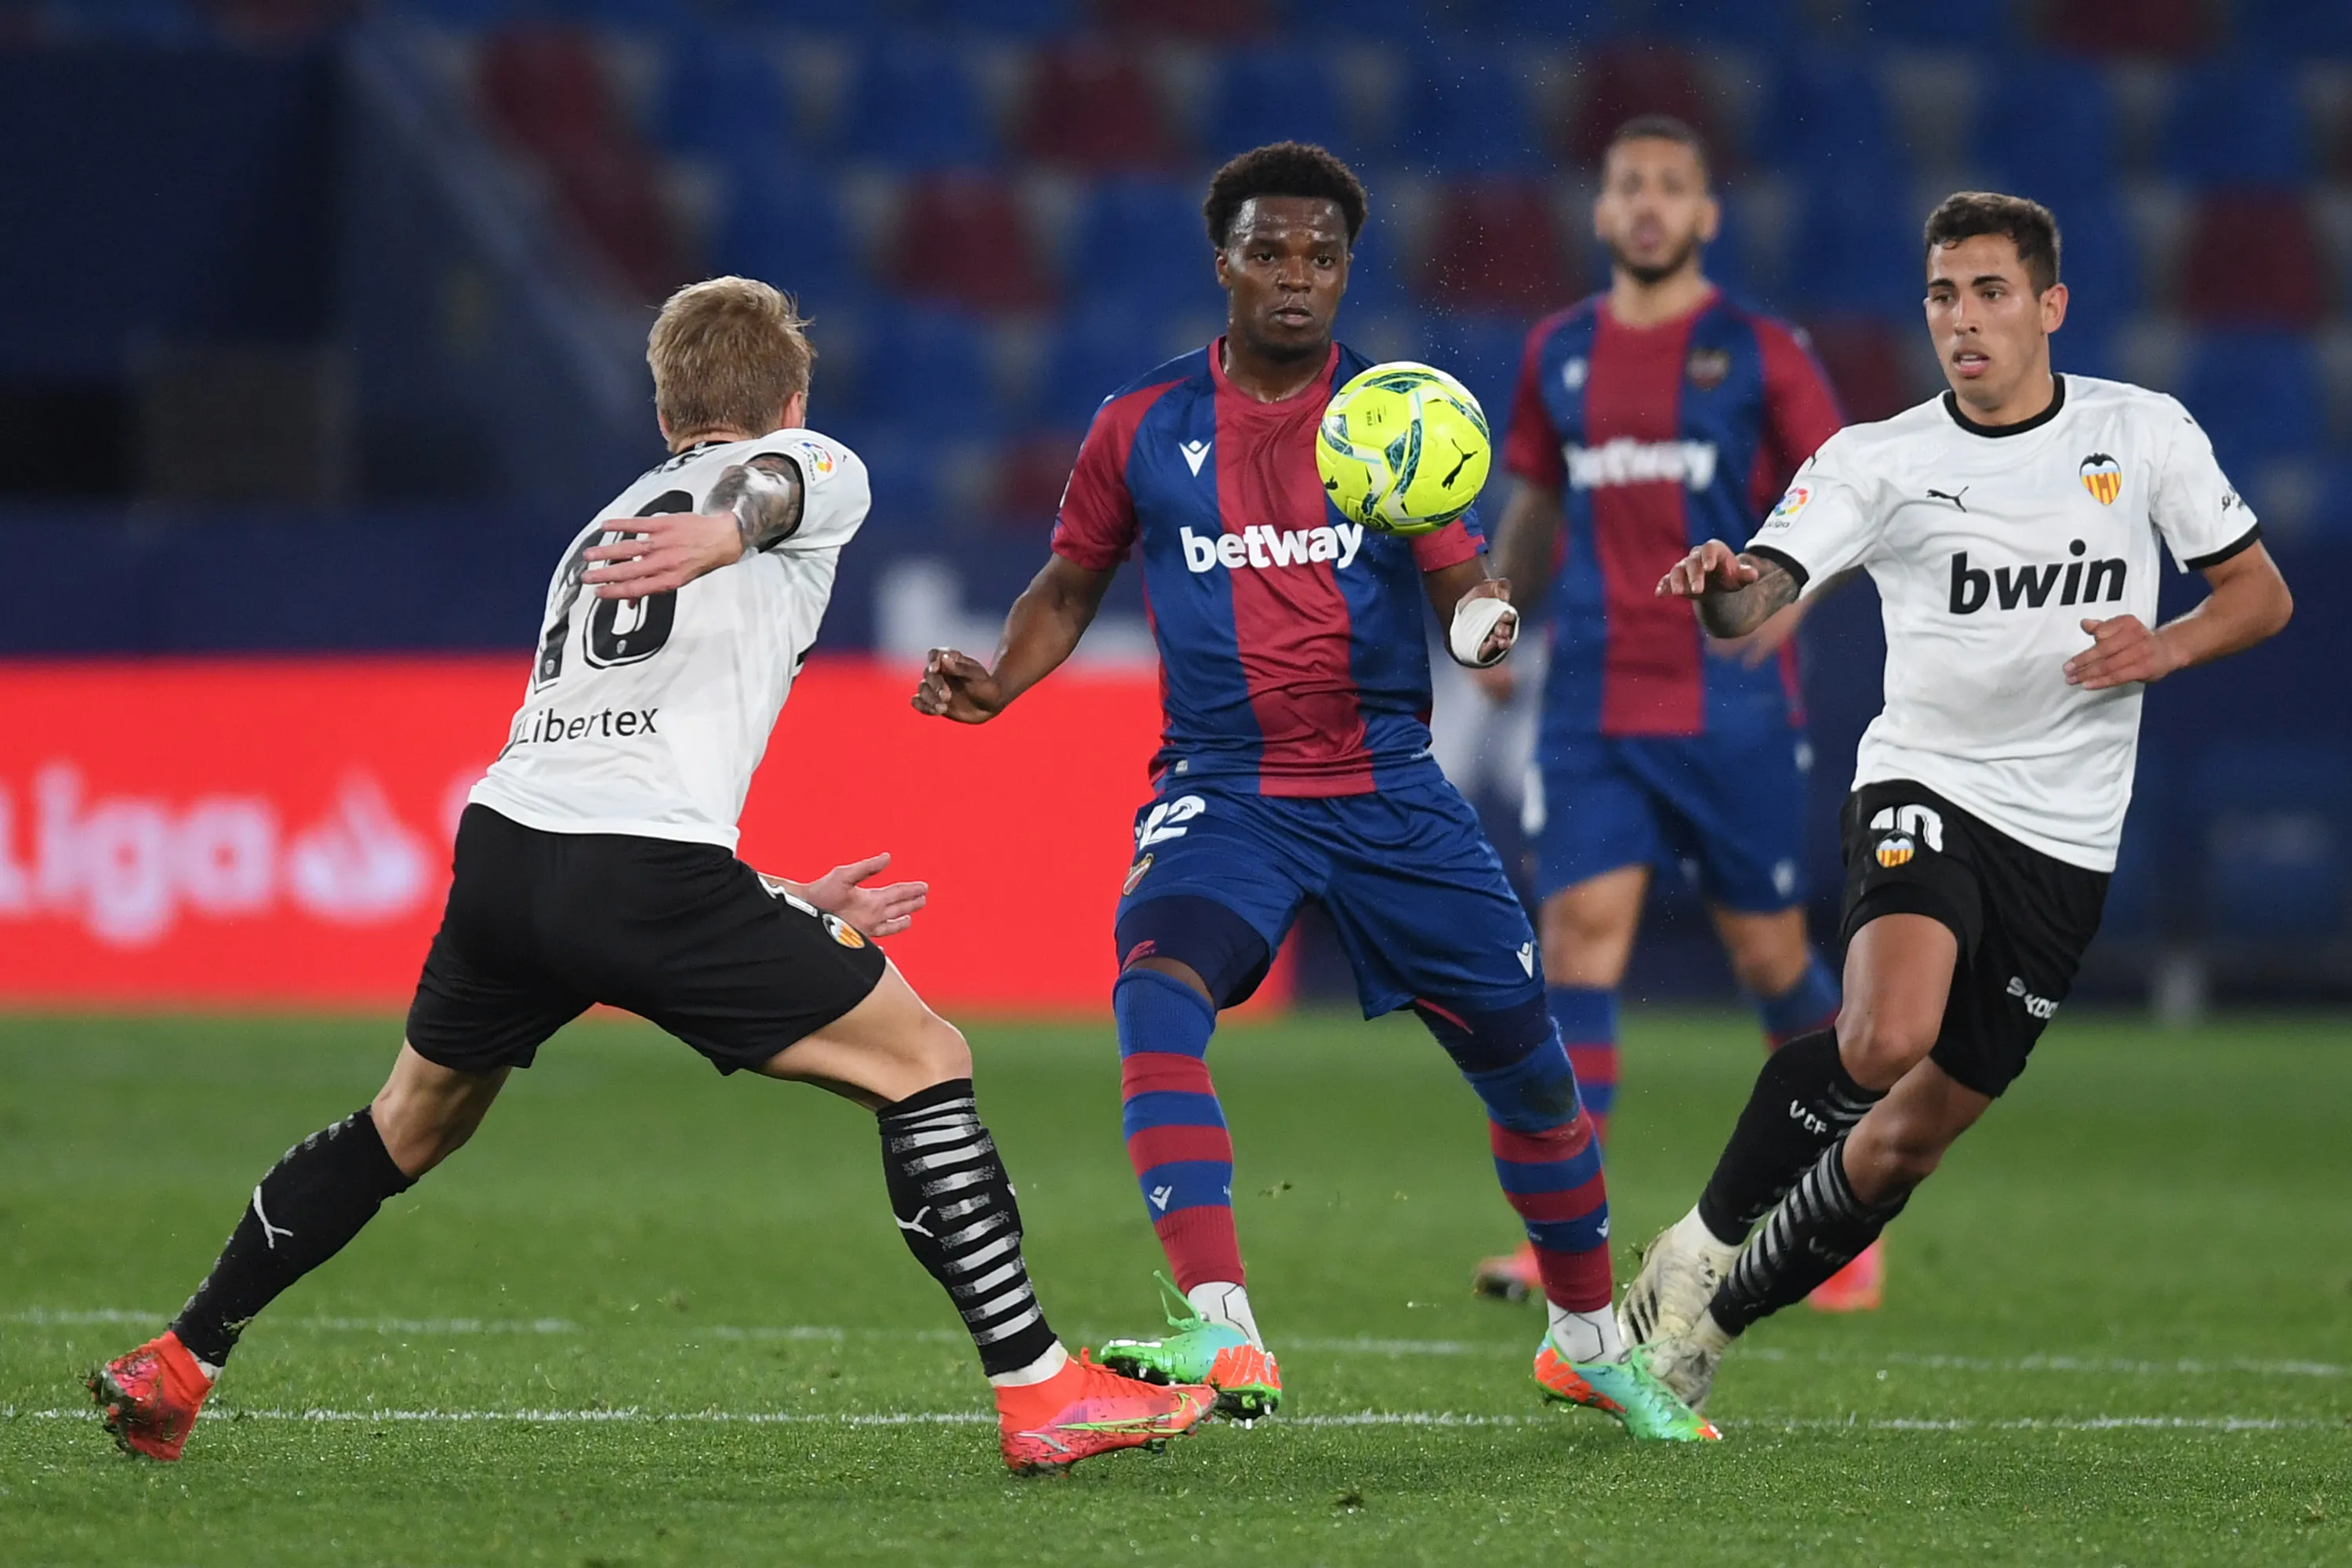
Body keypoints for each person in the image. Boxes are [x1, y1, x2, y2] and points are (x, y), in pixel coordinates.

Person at [86, 277, 1213, 1477]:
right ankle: (1042, 1391)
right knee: (925, 1061)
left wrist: (779, 901)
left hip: (511, 853)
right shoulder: (802, 465)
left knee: (407, 1122)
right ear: (791, 398)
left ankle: (181, 1358)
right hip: (636, 870)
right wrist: (739, 525)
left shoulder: (602, 527)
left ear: (665, 404)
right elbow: (785, 489)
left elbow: (606, 782)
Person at [912, 141, 1714, 1442]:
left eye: (1322, 257)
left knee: (1533, 1081)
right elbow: (1070, 584)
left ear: (1348, 271)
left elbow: (1463, 582)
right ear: (1222, 263)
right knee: (1155, 993)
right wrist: (1003, 681)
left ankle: (1582, 1342)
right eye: (1269, 253)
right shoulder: (1142, 425)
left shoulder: (1392, 413)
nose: (1296, 278)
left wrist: (1487, 623)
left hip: (1390, 792)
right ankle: (1222, 1327)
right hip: (1225, 792)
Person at [1624, 193, 2293, 1409]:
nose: (1964, 321)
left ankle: (1696, 1334)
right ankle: (1690, 1251)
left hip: (2066, 839)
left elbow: (2259, 594)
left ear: (2051, 307)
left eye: (1990, 293)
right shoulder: (1878, 459)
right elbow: (1756, 593)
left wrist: (2168, 647)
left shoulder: (2140, 434)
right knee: (1886, 1034)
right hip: (1924, 782)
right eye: (1943, 295)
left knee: (1902, 1142)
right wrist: (1725, 583)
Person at [1468, 114, 1883, 1312]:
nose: (1647, 204)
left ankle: (1843, 1227)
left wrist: (1777, 608)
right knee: (1580, 946)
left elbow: (1848, 494)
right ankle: (1565, 1241)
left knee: (1769, 956)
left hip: (1726, 701)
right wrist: (1503, 610)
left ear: (1706, 214)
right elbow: (1540, 503)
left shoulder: (1757, 350)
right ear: (1601, 214)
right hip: (1591, 699)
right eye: (1627, 185)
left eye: (1671, 186)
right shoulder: (1558, 351)